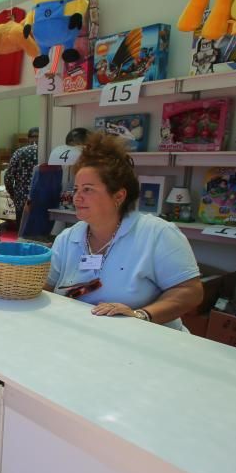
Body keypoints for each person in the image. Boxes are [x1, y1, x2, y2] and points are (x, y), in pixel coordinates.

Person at [43, 133, 203, 330]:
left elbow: (190, 291)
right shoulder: (68, 238)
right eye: (76, 189)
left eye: (88, 190)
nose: (76, 198)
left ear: (118, 195)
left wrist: (140, 316)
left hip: (146, 344)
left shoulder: (156, 233)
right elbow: (47, 288)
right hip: (86, 339)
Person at [4, 126, 39, 225]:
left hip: (22, 199)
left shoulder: (19, 152)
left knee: (22, 231)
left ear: (28, 138)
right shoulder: (47, 153)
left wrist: (13, 194)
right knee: (41, 233)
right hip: (42, 199)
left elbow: (8, 177)